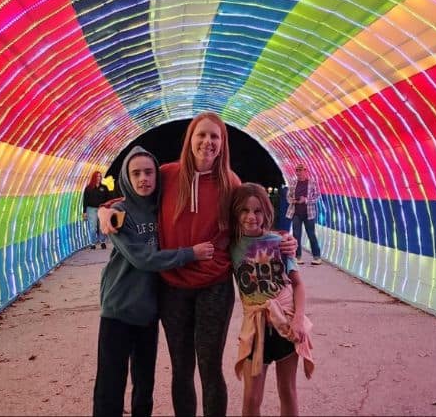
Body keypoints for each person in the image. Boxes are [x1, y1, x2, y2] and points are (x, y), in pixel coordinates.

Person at [100, 112, 297, 416]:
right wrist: (105, 209)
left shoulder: (230, 181)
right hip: (173, 286)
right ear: (190, 139)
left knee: (209, 367)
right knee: (181, 368)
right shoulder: (166, 174)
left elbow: (249, 221)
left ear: (222, 143)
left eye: (214, 136)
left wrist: (282, 241)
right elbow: (135, 199)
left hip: (214, 288)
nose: (207, 142)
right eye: (201, 135)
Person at [92, 146, 215, 417]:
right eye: (135, 174)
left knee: (144, 384)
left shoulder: (162, 209)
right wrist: (190, 254)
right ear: (126, 177)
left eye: (148, 172)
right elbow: (143, 259)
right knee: (110, 384)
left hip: (149, 312)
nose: (143, 179)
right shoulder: (119, 213)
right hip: (119, 309)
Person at [229, 183, 313, 416]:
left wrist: (298, 319)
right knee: (251, 396)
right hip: (254, 329)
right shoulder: (231, 246)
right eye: (244, 210)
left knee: (287, 390)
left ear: (266, 211)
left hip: (285, 324)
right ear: (235, 212)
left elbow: (298, 284)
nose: (251, 217)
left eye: (257, 211)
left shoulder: (280, 243)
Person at [286, 163, 322, 265]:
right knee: (296, 235)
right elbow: (288, 196)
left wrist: (305, 200)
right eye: (297, 171)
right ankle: (298, 257)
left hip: (309, 213)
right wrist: (292, 200)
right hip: (296, 212)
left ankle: (317, 257)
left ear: (306, 171)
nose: (299, 173)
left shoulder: (312, 182)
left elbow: (317, 196)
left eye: (301, 170)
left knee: (311, 234)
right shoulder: (293, 183)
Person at [83, 170, 111, 249]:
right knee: (93, 227)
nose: (99, 178)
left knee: (101, 226)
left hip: (102, 209)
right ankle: (92, 243)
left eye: (100, 176)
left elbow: (108, 199)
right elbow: (85, 200)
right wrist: (84, 212)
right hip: (91, 209)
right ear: (94, 178)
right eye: (97, 176)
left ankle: (102, 241)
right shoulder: (88, 188)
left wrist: (107, 209)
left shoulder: (104, 188)